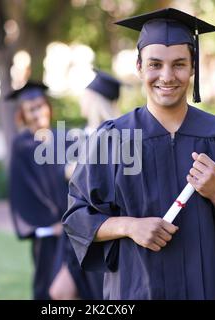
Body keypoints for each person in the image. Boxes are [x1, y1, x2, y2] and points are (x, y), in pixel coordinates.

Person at [62, 8, 215, 299]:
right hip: (135, 289)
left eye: (178, 64)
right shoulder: (113, 138)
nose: (166, 76)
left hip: (204, 290)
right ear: (139, 67)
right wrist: (129, 226)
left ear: (192, 68)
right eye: (155, 64)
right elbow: (77, 217)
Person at [50, 70, 122, 300]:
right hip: (77, 226)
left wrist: (77, 170)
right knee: (60, 292)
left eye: (85, 96)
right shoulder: (85, 134)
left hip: (99, 228)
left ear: (94, 100)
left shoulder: (116, 136)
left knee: (95, 293)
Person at [7, 81, 66, 300]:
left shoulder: (64, 138)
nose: (37, 113)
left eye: (41, 106)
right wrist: (51, 223)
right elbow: (22, 189)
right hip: (48, 229)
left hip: (74, 226)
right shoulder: (22, 145)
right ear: (22, 113)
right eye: (31, 109)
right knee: (47, 283)